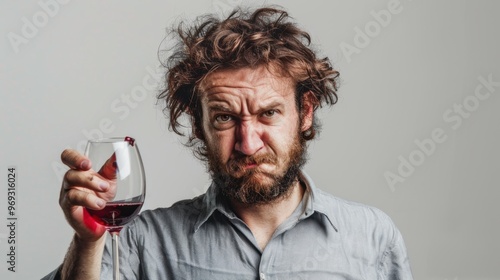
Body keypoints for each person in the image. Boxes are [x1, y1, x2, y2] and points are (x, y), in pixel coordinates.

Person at [43, 6, 413, 280]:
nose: (248, 144)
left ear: (305, 113)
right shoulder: (145, 240)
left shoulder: (372, 236)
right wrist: (88, 242)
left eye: (268, 113)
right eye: (225, 118)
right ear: (198, 126)